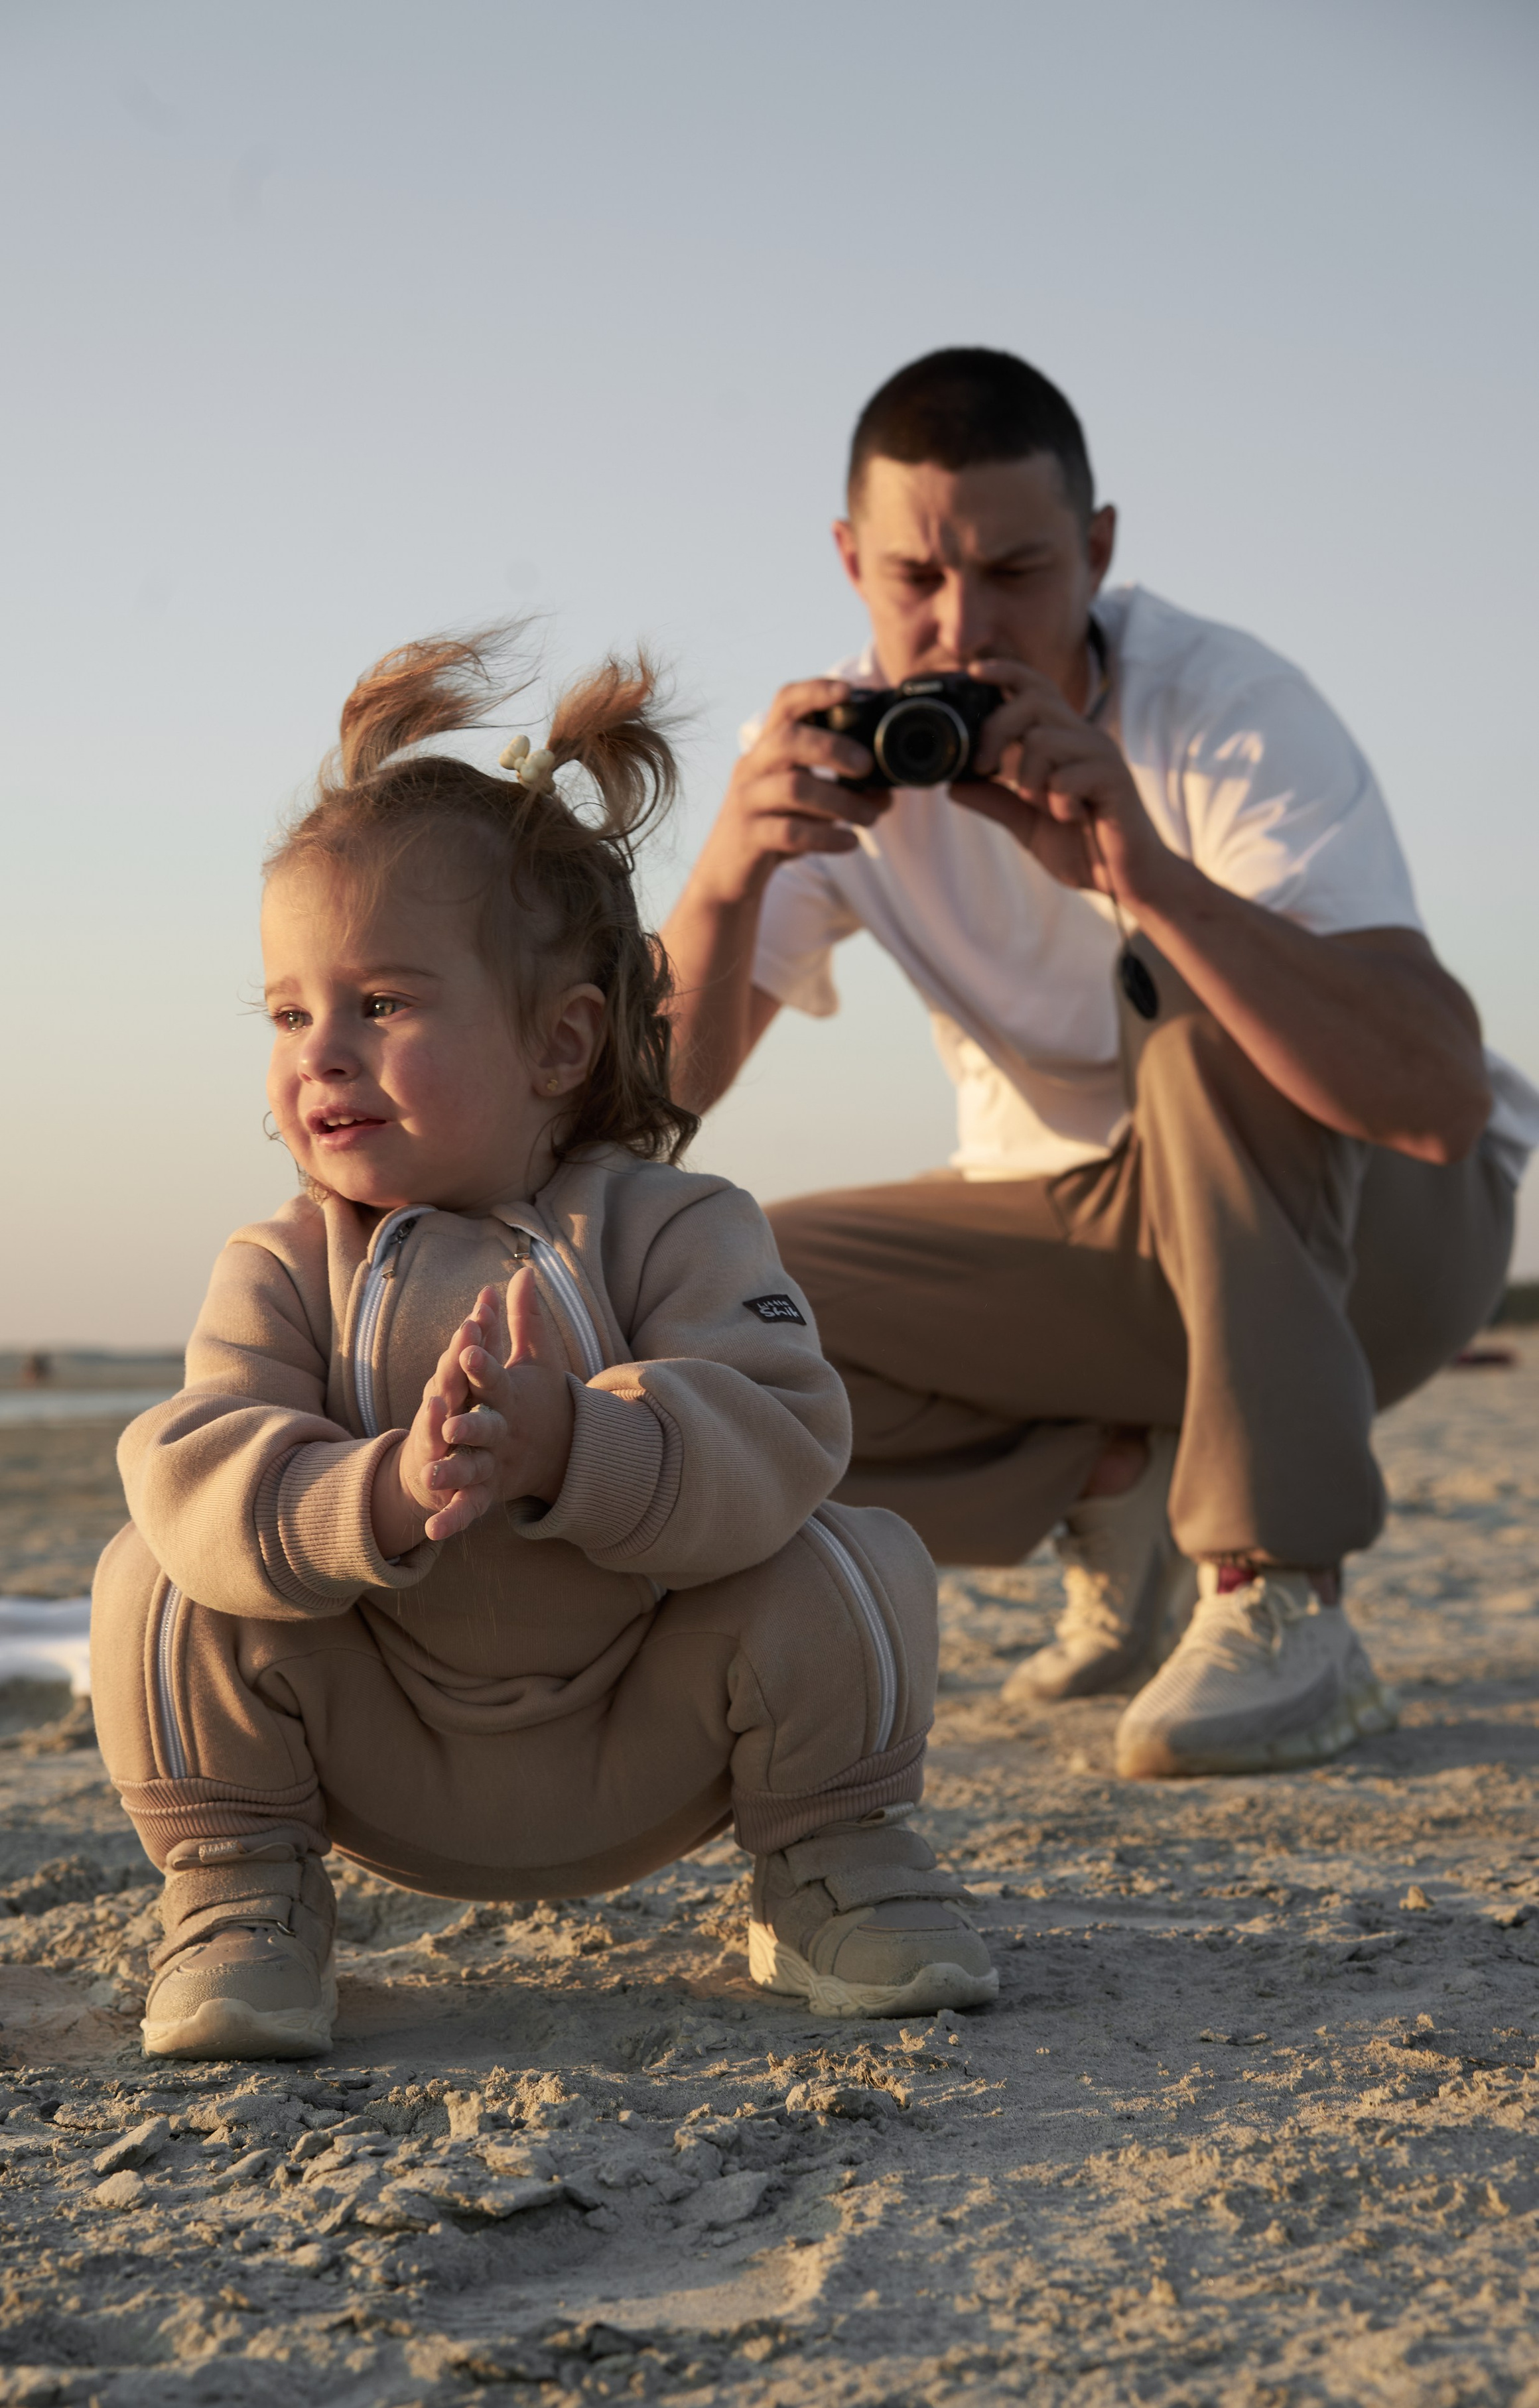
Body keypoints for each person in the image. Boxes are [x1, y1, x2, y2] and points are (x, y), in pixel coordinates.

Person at [88, 631, 998, 2062]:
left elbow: (778, 1431)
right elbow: (208, 1467)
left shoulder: (671, 1225)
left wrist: (581, 1441)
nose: (318, 1051)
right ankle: (242, 1894)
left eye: (379, 1005)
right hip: (381, 1735)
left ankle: (834, 1862)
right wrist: (378, 1494)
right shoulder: (279, 1264)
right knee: (158, 1570)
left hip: (649, 1725)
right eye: (287, 1011)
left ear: (560, 1043)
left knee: (848, 1555)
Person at [661, 348, 1536, 1782]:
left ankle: (1276, 1584)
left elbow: (1433, 1102)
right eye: (912, 583)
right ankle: (1120, 1490)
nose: (959, 630)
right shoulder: (843, 757)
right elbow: (651, 1117)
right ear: (845, 560)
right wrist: (719, 887)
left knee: (1198, 1020)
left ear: (1099, 550)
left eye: (1015, 572)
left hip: (1381, 1243)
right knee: (689, 1303)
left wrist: (1144, 876)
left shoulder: (1227, 710)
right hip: (1100, 1254)